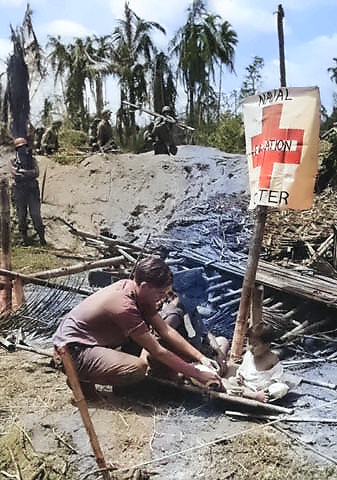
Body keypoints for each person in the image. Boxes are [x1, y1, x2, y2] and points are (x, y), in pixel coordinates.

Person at [53, 256, 221, 399]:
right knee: (136, 368)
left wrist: (201, 358)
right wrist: (197, 373)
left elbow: (166, 330)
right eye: (160, 293)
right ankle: (81, 378)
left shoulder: (139, 292)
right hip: (72, 351)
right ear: (146, 286)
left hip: (91, 343)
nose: (162, 298)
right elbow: (157, 350)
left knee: (147, 352)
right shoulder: (123, 304)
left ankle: (95, 376)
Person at [226, 323, 289, 403]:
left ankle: (253, 395)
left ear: (267, 345)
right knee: (231, 380)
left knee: (282, 388)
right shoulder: (249, 355)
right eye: (249, 343)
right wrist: (240, 377)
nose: (251, 347)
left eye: (255, 345)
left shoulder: (272, 359)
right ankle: (250, 395)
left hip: (263, 390)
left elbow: (278, 378)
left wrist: (268, 388)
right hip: (246, 386)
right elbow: (242, 369)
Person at [10, 137, 46, 246]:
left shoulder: (32, 159)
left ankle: (42, 239)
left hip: (32, 190)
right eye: (20, 147)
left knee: (36, 215)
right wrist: (27, 173)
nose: (23, 149)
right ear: (17, 149)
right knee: (22, 215)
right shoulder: (13, 161)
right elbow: (15, 174)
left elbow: (36, 172)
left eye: (24, 147)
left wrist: (23, 173)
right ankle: (25, 240)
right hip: (20, 191)